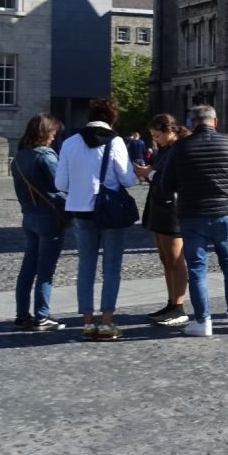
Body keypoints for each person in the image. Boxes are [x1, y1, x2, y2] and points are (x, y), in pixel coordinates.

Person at [156, 104, 228, 336]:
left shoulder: (180, 147)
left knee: (197, 269)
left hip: (192, 214)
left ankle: (203, 321)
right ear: (215, 122)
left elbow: (166, 185)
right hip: (224, 213)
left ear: (192, 123)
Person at [55, 97, 138, 340]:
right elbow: (127, 180)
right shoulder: (116, 142)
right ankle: (106, 322)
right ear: (112, 119)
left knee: (86, 267)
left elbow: (60, 183)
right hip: (110, 211)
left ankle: (87, 321)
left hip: (81, 210)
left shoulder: (70, 143)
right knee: (112, 267)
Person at [11, 113, 68, 331]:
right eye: (53, 132)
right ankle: (42, 316)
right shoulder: (45, 155)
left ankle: (22, 314)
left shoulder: (18, 157)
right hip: (48, 217)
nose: (54, 136)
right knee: (45, 270)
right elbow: (61, 184)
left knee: (28, 269)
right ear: (45, 132)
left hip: (29, 216)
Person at [137, 113, 191, 327]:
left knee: (176, 259)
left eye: (157, 135)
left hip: (172, 209)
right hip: (159, 206)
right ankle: (171, 303)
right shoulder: (166, 149)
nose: (155, 140)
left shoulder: (179, 149)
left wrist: (148, 173)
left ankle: (178, 305)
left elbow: (172, 177)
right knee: (166, 259)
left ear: (170, 131)